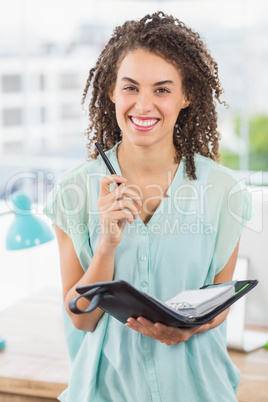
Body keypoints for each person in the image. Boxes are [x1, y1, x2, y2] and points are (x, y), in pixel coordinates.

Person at [44, 11, 253, 402]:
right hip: (104, 392)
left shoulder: (224, 191)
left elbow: (219, 303)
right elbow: (82, 317)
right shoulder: (74, 192)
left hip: (198, 391)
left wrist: (191, 327)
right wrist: (106, 244)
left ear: (185, 95)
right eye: (130, 88)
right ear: (111, 91)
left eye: (161, 89)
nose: (143, 105)